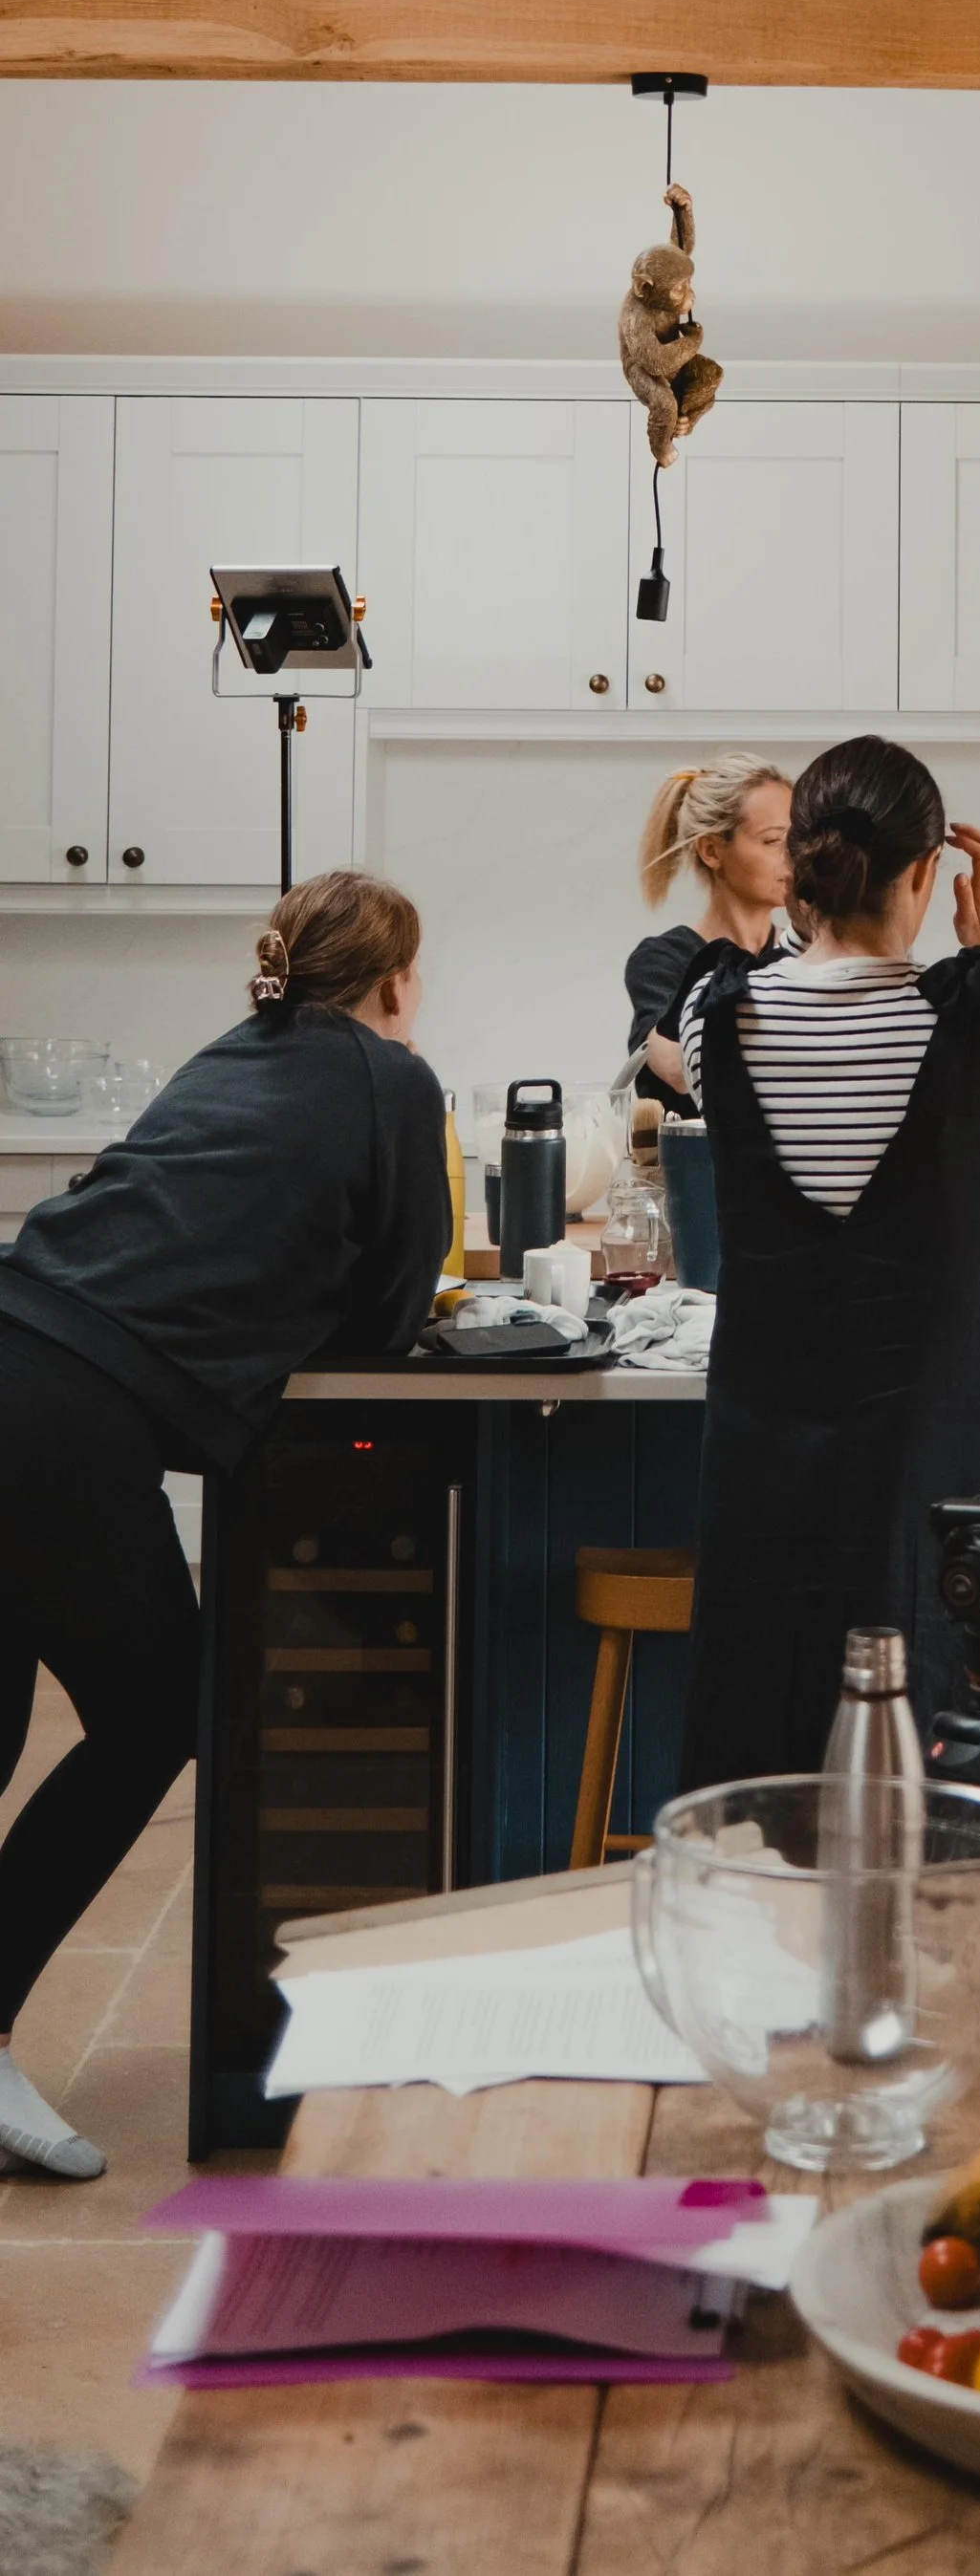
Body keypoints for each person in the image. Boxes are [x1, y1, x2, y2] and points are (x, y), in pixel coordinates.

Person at [0, 872, 446, 2179]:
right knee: (156, 1715)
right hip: (64, 1415)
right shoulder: (390, 1077)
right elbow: (391, 1310)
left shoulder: (230, 1053)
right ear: (395, 983)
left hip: (16, 1343)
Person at [676, 736, 980, 1781]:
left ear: (801, 871)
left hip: (774, 1482)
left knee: (780, 1768)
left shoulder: (718, 1016)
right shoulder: (976, 1022)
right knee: (978, 1778)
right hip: (964, 1482)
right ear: (929, 872)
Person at [624, 756, 794, 1115]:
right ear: (712, 850)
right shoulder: (662, 961)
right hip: (686, 1168)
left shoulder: (807, 952)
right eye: (773, 840)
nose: (794, 856)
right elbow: (675, 1065)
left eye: (798, 839)